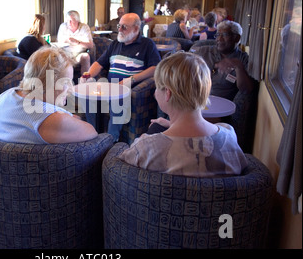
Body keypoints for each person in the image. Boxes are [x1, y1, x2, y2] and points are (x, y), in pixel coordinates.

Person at [118, 52, 248, 177]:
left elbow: (120, 164)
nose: (155, 92)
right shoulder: (229, 136)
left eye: (157, 87)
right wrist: (170, 124)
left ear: (168, 93)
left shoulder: (146, 148)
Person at [0, 46, 97, 144]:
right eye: (65, 83)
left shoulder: (5, 96)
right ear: (47, 83)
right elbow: (92, 132)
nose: (71, 89)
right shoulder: (53, 120)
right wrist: (68, 117)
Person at [81, 13, 161, 142]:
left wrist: (132, 79)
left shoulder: (147, 44)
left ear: (136, 29)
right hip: (109, 87)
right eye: (119, 26)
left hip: (129, 90)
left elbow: (155, 68)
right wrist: (88, 74)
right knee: (88, 96)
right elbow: (99, 63)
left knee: (118, 101)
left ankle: (111, 141)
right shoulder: (115, 44)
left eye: (124, 27)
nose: (119, 30)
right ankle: (93, 135)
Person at [192, 20, 256, 101]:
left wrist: (238, 67)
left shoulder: (243, 59)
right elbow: (185, 65)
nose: (219, 39)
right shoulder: (204, 51)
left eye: (224, 35)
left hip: (221, 105)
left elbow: (246, 90)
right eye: (218, 35)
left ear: (237, 38)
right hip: (195, 99)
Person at [57, 10, 94, 75]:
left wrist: (78, 42)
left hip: (79, 54)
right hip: (65, 54)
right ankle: (63, 82)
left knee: (86, 57)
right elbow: (58, 43)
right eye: (68, 20)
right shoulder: (63, 26)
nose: (69, 23)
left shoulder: (84, 27)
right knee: (55, 57)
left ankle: (84, 82)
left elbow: (90, 45)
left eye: (71, 20)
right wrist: (64, 41)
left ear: (77, 20)